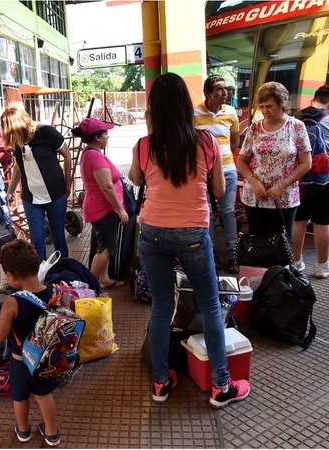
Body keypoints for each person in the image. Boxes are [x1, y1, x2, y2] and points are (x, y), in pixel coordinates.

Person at [129, 73, 250, 408]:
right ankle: (221, 385)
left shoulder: (143, 145)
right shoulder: (206, 142)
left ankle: (160, 382)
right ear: (185, 105)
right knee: (210, 305)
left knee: (162, 306)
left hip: (152, 232)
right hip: (194, 233)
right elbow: (219, 191)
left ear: (154, 109)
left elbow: (136, 178)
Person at [0, 239, 60, 447]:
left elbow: (0, 335)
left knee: (20, 397)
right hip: (44, 360)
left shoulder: (12, 302)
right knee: (44, 395)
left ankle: (23, 431)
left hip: (20, 361)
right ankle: (51, 433)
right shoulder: (52, 291)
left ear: (10, 276)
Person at [236, 82, 312, 241]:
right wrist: (253, 182)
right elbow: (242, 161)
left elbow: (306, 163)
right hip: (255, 197)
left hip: (285, 197)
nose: (265, 111)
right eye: (262, 106)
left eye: (269, 106)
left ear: (282, 104)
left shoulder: (296, 127)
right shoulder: (254, 128)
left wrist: (282, 185)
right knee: (257, 244)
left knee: (282, 243)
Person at [1, 107, 72, 261]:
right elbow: (18, 167)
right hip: (31, 197)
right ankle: (40, 278)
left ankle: (64, 269)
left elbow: (67, 156)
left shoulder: (46, 132)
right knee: (37, 239)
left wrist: (68, 182)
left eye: (11, 130)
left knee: (58, 236)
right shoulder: (16, 141)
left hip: (56, 193)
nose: (11, 135)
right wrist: (9, 192)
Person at [71, 118, 128, 288]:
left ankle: (104, 279)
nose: (108, 137)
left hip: (99, 207)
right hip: (103, 209)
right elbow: (106, 187)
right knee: (106, 249)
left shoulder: (89, 153)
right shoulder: (95, 157)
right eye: (106, 134)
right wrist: (120, 210)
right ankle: (87, 285)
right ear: (97, 137)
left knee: (105, 244)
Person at [194, 75, 241, 273]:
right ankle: (210, 257)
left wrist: (223, 158)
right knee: (209, 213)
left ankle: (233, 257)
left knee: (228, 212)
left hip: (228, 170)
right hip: (204, 173)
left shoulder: (231, 112)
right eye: (220, 89)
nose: (225, 93)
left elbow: (234, 141)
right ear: (208, 93)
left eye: (225, 89)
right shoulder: (194, 113)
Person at [292, 84, 329, 278]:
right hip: (326, 178)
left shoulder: (296, 117)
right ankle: (322, 266)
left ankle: (296, 262)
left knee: (299, 219)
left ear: (313, 100)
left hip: (300, 177)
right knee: (322, 221)